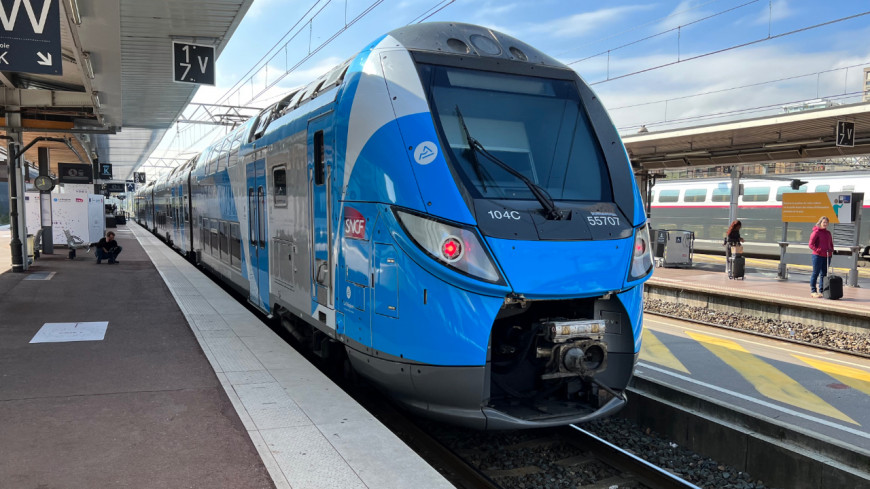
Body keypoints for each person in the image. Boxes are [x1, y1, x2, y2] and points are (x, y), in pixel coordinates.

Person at [808, 216, 834, 298]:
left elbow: (831, 243)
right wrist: (817, 250)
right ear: (820, 223)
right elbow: (810, 244)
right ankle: (813, 291)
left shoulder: (828, 233)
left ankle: (821, 291)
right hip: (817, 256)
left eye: (827, 222)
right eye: (824, 222)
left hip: (827, 256)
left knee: (824, 274)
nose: (825, 224)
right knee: (815, 273)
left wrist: (831, 250)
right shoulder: (816, 232)